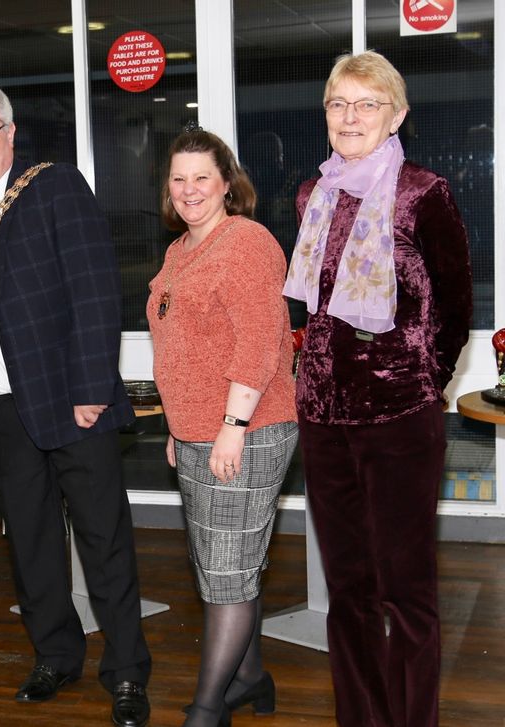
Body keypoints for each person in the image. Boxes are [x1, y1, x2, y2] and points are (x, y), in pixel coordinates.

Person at [0, 85, 151, 727]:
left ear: (10, 132)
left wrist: (91, 391)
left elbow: (96, 293)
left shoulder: (55, 187)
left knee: (104, 540)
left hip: (71, 403)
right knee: (30, 541)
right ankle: (56, 655)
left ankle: (127, 672)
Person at [283, 51, 472, 727]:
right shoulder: (313, 194)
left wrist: (421, 378)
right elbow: (315, 312)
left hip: (400, 417)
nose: (352, 116)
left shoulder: (425, 191)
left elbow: (456, 305)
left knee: (407, 594)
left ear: (396, 114)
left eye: (368, 103)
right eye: (339, 103)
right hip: (324, 417)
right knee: (350, 592)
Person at [147, 128, 298, 727]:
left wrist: (232, 425)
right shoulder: (182, 249)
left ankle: (208, 709)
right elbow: (183, 345)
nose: (188, 190)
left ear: (227, 183)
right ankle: (251, 678)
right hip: (198, 430)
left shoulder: (247, 243)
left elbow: (263, 342)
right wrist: (177, 425)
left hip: (248, 427)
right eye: (178, 179)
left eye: (201, 178)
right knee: (225, 562)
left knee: (226, 573)